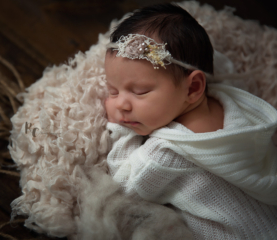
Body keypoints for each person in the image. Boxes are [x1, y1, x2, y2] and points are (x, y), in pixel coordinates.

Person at [104, 3, 277, 239]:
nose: (121, 104)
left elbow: (125, 186)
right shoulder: (233, 104)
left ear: (193, 87)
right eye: (113, 91)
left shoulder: (168, 152)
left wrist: (120, 131)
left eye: (140, 91)